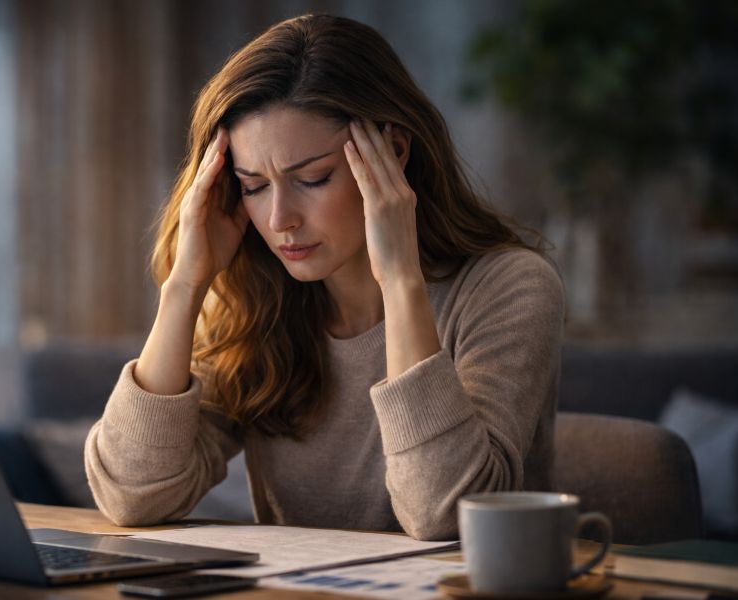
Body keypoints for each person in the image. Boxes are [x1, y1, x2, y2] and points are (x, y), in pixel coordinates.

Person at [85, 14, 564, 541]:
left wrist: (401, 278)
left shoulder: (510, 287)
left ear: (394, 152)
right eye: (253, 186)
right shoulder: (254, 298)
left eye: (312, 179)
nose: (279, 220)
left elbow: (446, 514)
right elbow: (131, 494)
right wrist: (186, 286)